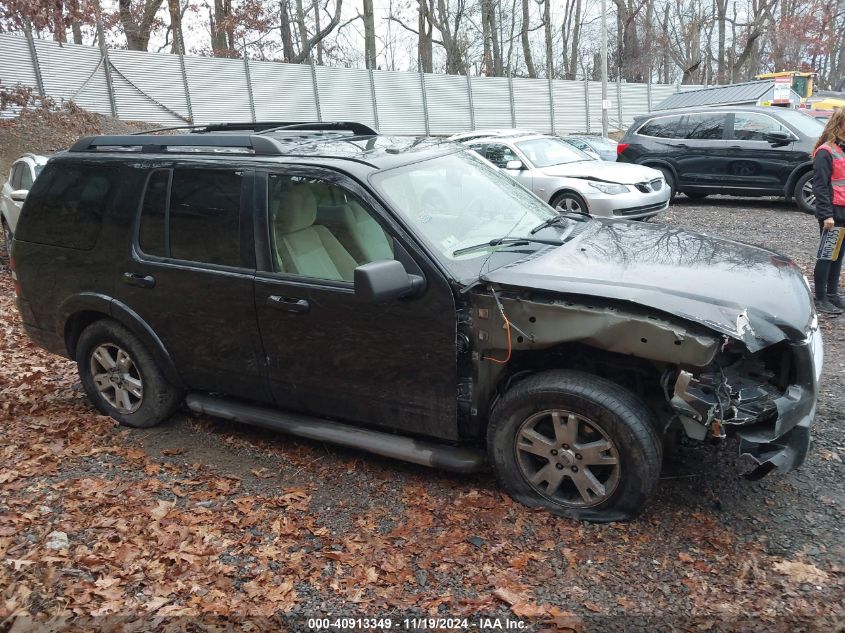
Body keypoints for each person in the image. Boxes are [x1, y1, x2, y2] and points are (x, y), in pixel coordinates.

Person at [811, 107, 845, 315]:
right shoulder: (825, 151)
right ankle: (821, 298)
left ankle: (833, 295)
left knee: (839, 255)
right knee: (827, 255)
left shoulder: (842, 149)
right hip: (832, 212)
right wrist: (827, 215)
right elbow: (820, 186)